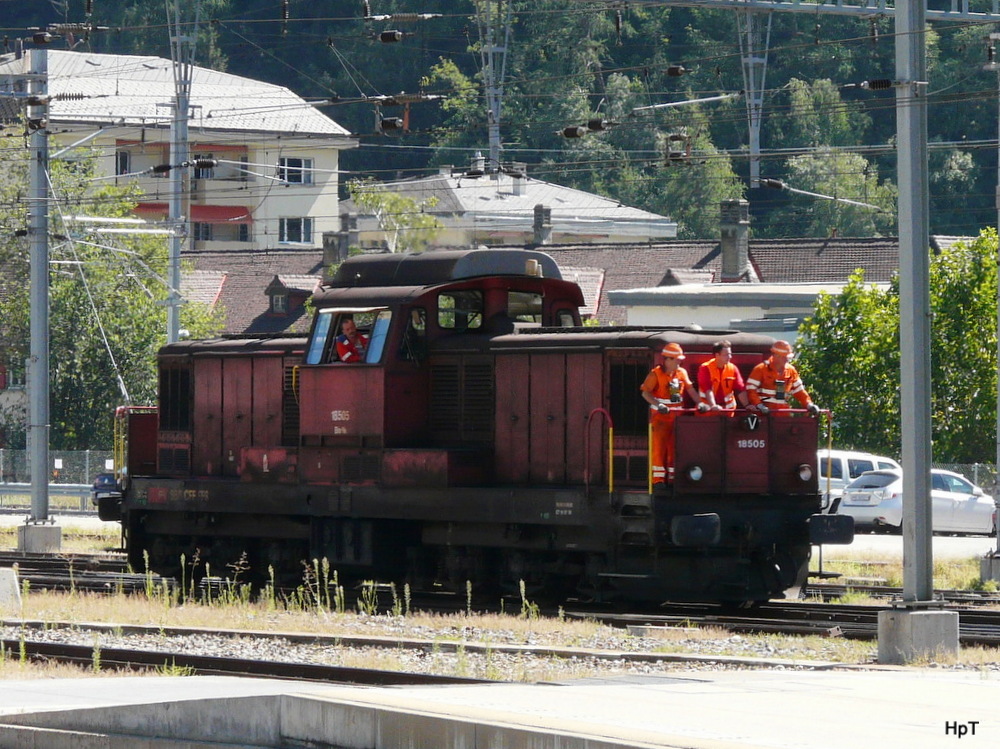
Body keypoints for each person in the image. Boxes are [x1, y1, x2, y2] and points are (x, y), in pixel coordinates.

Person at [640, 342, 705, 484]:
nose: (680, 362)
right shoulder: (655, 374)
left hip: (677, 419)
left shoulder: (682, 373)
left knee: (674, 449)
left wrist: (700, 402)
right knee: (659, 449)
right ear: (667, 359)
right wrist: (659, 405)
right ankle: (658, 481)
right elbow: (645, 393)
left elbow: (691, 390)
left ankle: (672, 479)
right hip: (660, 419)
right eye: (677, 359)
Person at [746, 340, 820, 416]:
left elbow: (799, 391)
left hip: (783, 415)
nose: (787, 360)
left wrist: (809, 405)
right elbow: (751, 390)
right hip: (763, 415)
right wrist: (759, 405)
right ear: (777, 356)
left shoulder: (791, 370)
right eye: (785, 357)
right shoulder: (760, 369)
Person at [697, 340, 749, 411]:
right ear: (717, 355)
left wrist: (747, 405)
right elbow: (707, 389)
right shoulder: (705, 368)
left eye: (730, 354)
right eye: (726, 355)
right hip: (708, 412)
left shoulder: (733, 368)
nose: (730, 357)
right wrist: (713, 406)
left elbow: (740, 389)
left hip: (728, 412)